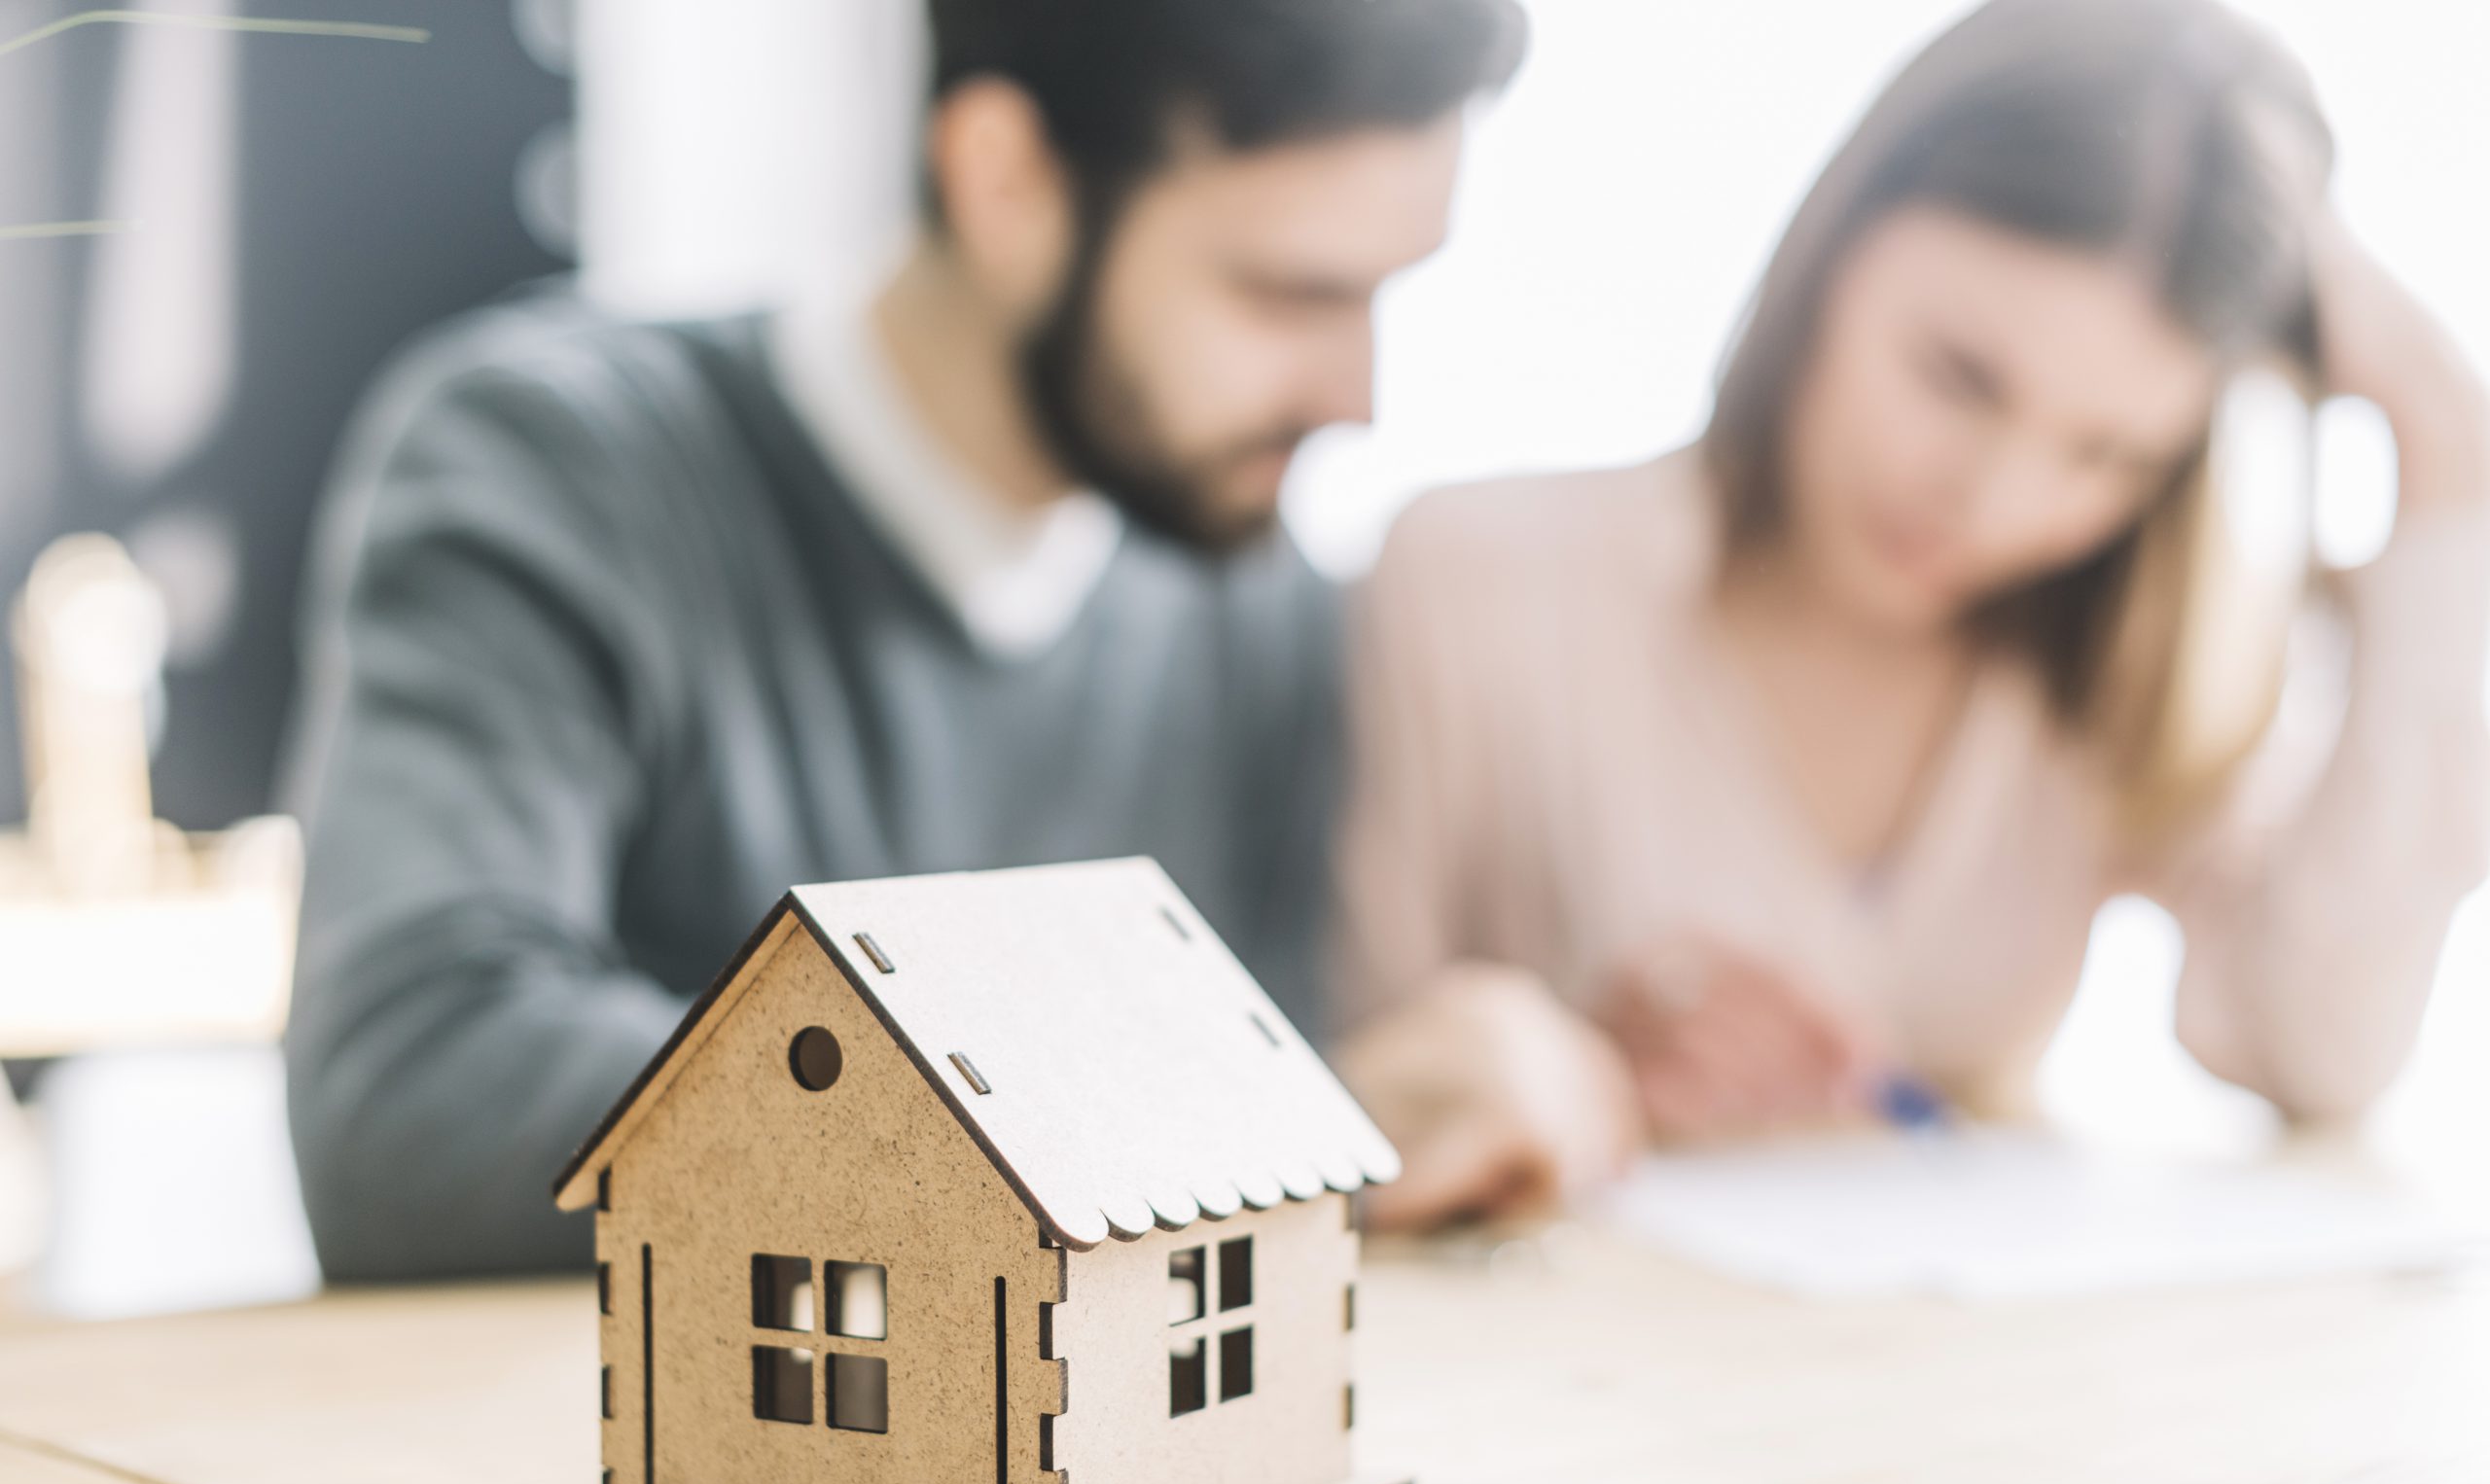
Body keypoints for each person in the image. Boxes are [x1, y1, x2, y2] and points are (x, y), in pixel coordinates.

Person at [283, 0, 1526, 1278]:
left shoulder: (1257, 606)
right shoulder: (554, 468)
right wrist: (1174, 1110)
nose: (1355, 397)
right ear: (1005, 177)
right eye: (1286, 292)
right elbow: (410, 1107)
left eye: (1382, 297)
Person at [1335, 0, 2490, 1229]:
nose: (1993, 502)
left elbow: (2318, 1050)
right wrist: (1578, 1075)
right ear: (1836, 246)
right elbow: (1356, 1107)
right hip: (1566, 1390)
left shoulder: (2123, 667)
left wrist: (2450, 449)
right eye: (1957, 376)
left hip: (1954, 1392)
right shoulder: (1476, 581)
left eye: (2106, 454)